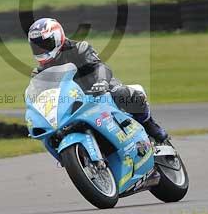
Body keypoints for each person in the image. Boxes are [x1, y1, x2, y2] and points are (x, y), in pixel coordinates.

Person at [27, 17, 169, 143]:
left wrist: (102, 82)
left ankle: (150, 125)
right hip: (72, 103)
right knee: (52, 136)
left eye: (45, 44)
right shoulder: (40, 72)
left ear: (58, 38)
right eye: (37, 47)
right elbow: (40, 96)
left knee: (122, 93)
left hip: (97, 89)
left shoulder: (79, 49)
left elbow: (99, 66)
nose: (41, 50)